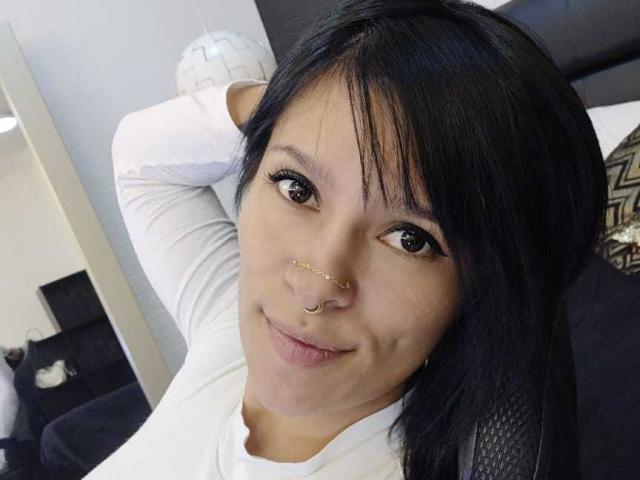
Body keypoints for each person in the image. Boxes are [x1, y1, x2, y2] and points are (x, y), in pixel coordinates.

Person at [85, 0, 607, 478]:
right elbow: (140, 158)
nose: (315, 288)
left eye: (411, 239)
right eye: (297, 188)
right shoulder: (229, 322)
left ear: (479, 291)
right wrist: (311, 93)